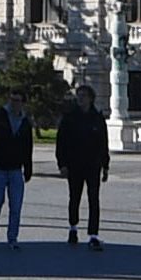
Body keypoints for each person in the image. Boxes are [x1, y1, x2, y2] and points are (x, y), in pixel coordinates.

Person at [0, 92, 38, 245]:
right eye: (12, 100)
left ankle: (12, 237)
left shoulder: (25, 122)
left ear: (22, 103)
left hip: (15, 168)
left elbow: (28, 146)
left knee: (16, 205)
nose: (14, 103)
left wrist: (28, 167)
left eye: (18, 100)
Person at [55, 89, 110, 250]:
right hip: (74, 164)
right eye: (78, 96)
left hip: (93, 165)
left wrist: (105, 165)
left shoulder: (97, 118)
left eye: (83, 96)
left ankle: (93, 234)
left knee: (94, 199)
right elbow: (61, 143)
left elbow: (103, 144)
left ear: (91, 99)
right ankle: (73, 227)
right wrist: (62, 164)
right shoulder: (70, 117)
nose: (80, 99)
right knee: (74, 197)